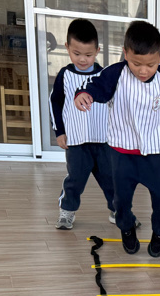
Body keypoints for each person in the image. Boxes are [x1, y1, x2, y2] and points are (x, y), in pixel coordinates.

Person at [74, 20, 160, 256]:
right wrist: (83, 94)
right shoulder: (115, 74)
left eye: (150, 64)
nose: (143, 70)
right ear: (125, 54)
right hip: (121, 154)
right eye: (136, 63)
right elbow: (93, 84)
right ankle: (126, 227)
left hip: (155, 155)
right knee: (120, 201)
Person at [50, 19, 130, 230]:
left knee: (111, 179)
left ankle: (118, 211)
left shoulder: (105, 76)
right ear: (67, 47)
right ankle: (67, 211)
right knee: (75, 179)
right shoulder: (65, 76)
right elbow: (55, 103)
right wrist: (59, 131)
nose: (82, 59)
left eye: (88, 54)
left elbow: (117, 105)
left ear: (97, 51)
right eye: (76, 53)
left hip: (104, 140)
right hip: (76, 140)